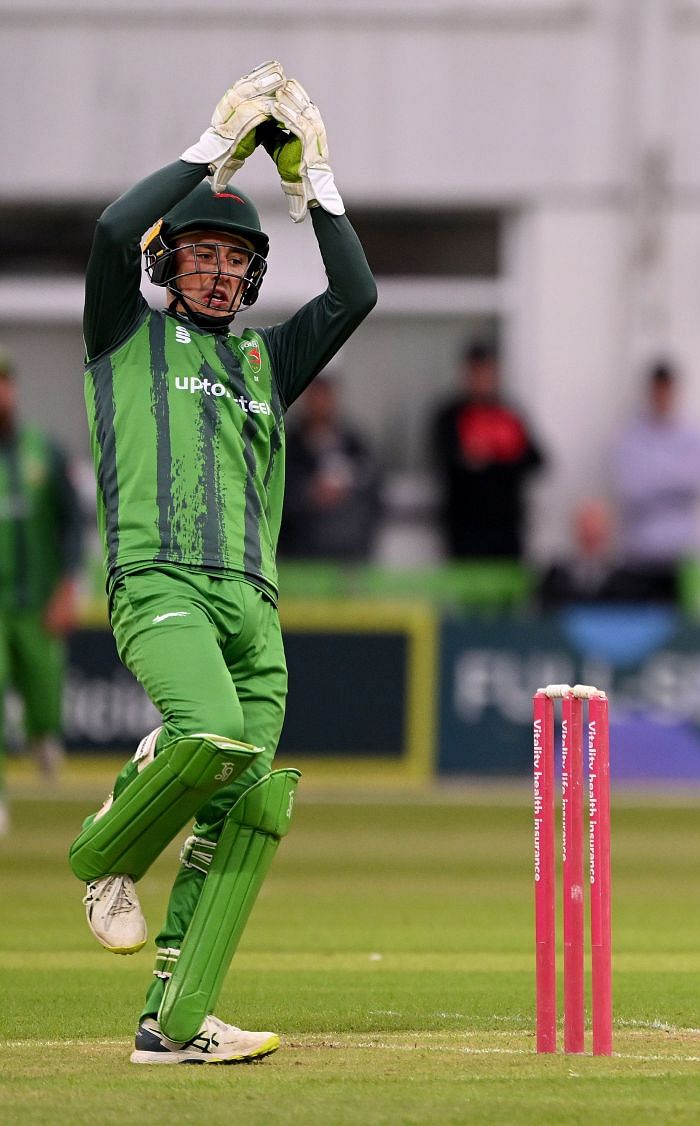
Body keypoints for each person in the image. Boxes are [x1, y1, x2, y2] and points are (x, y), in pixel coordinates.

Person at [67, 62, 375, 1064]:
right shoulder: (123, 333)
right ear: (169, 267)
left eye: (233, 260)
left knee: (252, 804)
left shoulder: (262, 363)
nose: (215, 272)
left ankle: (177, 1021)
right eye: (197, 254)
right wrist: (216, 146)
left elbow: (358, 291)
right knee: (206, 734)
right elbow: (116, 232)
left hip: (254, 604)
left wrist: (314, 183)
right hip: (160, 581)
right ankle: (101, 855)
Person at [0, 351, 85, 836]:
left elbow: (71, 526)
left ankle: (43, 735)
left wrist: (68, 586)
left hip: (35, 602)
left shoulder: (42, 451)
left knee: (45, 693)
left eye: (4, 384)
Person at [431, 340, 545, 560]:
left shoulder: (509, 415)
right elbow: (444, 458)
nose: (483, 379)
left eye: (488, 372)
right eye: (477, 372)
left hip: (505, 527)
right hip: (465, 527)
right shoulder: (450, 416)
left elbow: (537, 460)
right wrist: (468, 460)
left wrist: (497, 456)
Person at [612, 359, 700, 605]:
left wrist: (655, 481)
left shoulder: (696, 436)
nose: (662, 396)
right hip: (640, 553)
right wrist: (675, 480)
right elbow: (630, 489)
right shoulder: (630, 437)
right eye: (657, 390)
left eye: (667, 390)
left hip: (682, 554)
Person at [281, 374, 382, 560]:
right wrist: (310, 493)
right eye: (314, 397)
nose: (319, 404)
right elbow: (275, 492)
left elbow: (373, 486)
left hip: (348, 553)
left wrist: (346, 489)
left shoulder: (353, 443)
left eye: (325, 397)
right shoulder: (287, 443)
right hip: (299, 552)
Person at [537, 498, 646, 610]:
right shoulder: (556, 578)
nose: (591, 536)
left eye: (596, 535)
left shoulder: (626, 581)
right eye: (587, 533)